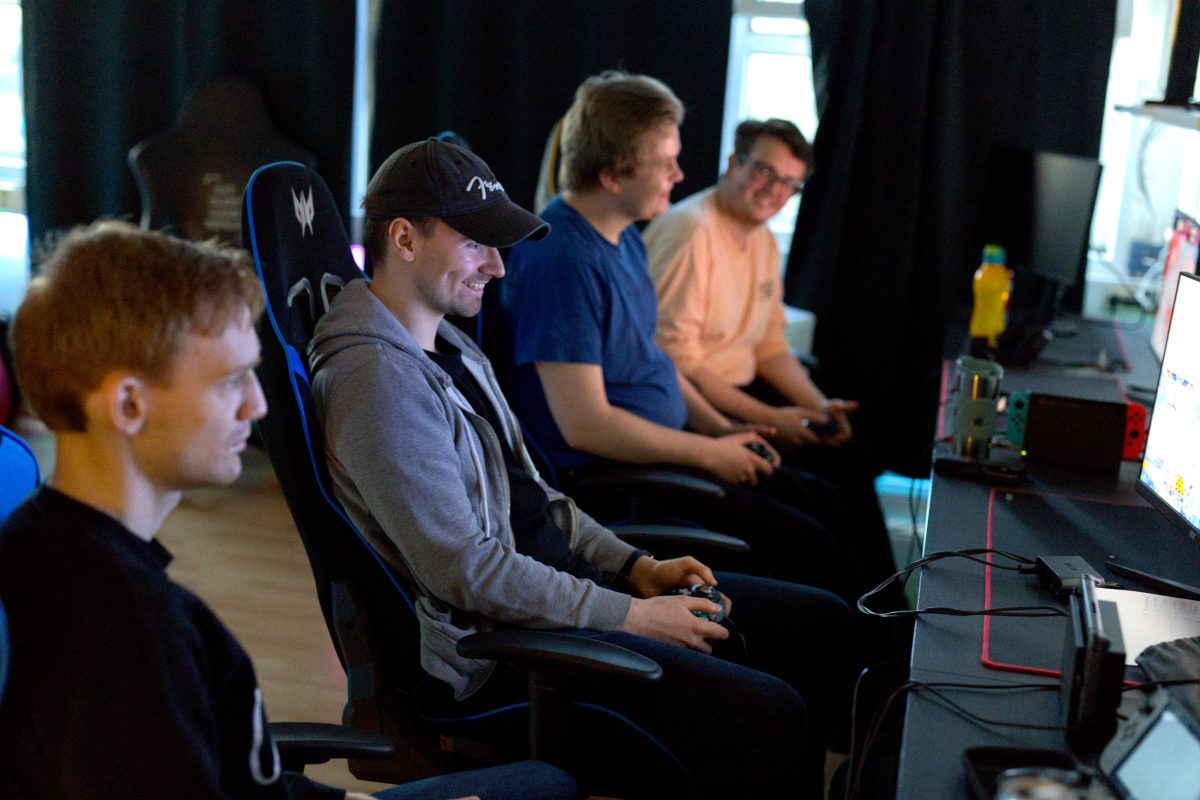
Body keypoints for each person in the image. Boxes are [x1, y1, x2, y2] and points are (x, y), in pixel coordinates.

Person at [309, 137, 853, 798]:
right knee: (767, 717)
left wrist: (635, 567)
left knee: (816, 623)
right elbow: (466, 570)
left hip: (563, 594)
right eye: (477, 243)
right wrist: (633, 616)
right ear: (404, 239)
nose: (498, 268)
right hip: (505, 656)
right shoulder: (378, 384)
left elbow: (537, 500)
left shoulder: (446, 341)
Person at [0, 221, 577, 800]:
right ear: (129, 404)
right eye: (230, 381)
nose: (259, 402)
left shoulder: (45, 545)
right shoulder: (129, 632)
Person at [496, 71, 869, 602]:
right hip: (618, 479)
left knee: (822, 504)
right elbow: (586, 426)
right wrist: (704, 451)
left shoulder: (622, 237)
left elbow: (655, 363)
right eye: (665, 161)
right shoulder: (563, 261)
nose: (679, 173)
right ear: (613, 174)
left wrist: (720, 430)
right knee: (812, 547)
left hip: (670, 452)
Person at [642, 116, 897, 591]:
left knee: (853, 455)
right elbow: (678, 364)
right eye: (764, 172)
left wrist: (817, 406)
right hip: (694, 406)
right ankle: (854, 621)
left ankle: (889, 609)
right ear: (734, 163)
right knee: (819, 501)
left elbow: (769, 345)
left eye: (789, 183)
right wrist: (773, 419)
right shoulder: (691, 233)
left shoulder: (760, 237)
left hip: (740, 388)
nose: (774, 191)